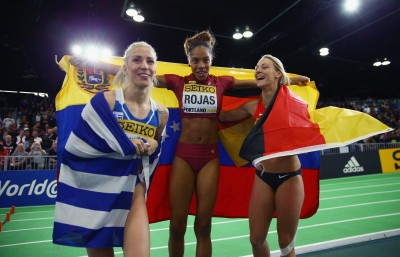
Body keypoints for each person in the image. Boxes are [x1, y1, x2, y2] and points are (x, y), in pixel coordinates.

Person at [70, 30, 309, 257]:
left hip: (210, 159)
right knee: (177, 225)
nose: (201, 65)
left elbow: (251, 82)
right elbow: (131, 71)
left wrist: (293, 78)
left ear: (211, 60)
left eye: (205, 60)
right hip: (184, 157)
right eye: (195, 61)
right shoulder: (177, 82)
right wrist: (95, 63)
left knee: (203, 226)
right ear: (189, 62)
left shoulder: (222, 82)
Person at [53, 41, 169, 257]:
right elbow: (80, 144)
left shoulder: (161, 113)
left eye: (150, 61)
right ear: (125, 68)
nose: (144, 65)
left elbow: (155, 150)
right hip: (98, 192)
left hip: (133, 192)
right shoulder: (104, 101)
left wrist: (156, 144)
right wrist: (126, 145)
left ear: (155, 69)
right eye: (137, 60)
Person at [219, 54, 304, 257]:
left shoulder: (292, 102)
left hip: (289, 178)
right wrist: (213, 89)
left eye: (264, 67)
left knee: (286, 243)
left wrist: (295, 79)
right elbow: (221, 116)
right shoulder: (251, 106)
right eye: (256, 67)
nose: (258, 70)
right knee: (256, 239)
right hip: (263, 177)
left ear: (277, 74)